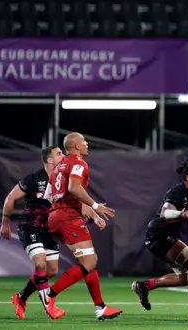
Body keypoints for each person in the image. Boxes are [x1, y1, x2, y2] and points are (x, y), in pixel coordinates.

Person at [0, 146, 106, 319]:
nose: (63, 156)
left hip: (49, 229)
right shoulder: (34, 179)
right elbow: (10, 198)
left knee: (51, 271)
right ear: (49, 160)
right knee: (40, 264)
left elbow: (78, 200)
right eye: (59, 154)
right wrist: (5, 222)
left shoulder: (62, 178)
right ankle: (49, 305)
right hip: (30, 226)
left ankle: (20, 297)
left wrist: (95, 216)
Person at [37, 133, 120, 321]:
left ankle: (100, 307)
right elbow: (74, 188)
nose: (87, 144)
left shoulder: (58, 167)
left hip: (56, 216)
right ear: (76, 146)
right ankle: (49, 295)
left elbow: (48, 197)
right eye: (84, 142)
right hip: (68, 217)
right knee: (89, 262)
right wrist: (95, 206)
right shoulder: (78, 163)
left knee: (89, 261)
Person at [131, 162, 188, 321]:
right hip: (159, 236)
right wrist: (183, 214)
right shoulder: (178, 192)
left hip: (163, 236)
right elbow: (165, 212)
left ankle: (144, 286)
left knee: (186, 277)